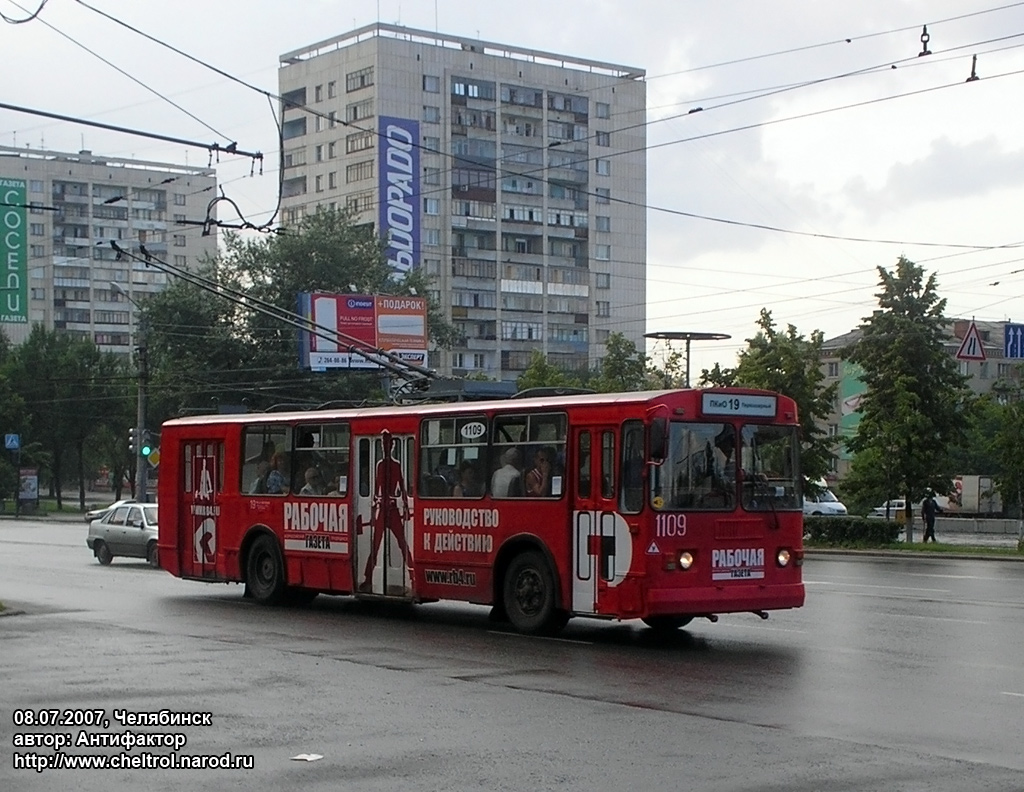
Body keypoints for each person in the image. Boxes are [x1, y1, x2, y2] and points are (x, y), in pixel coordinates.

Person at [361, 430, 412, 592]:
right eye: (383, 444)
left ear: (392, 445)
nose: (386, 447)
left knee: (402, 543)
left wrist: (405, 506)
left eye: (388, 444)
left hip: (393, 509)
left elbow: (402, 488)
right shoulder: (380, 465)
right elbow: (376, 489)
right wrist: (375, 503)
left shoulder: (396, 465)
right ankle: (368, 577)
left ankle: (413, 576)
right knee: (374, 544)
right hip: (382, 509)